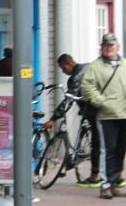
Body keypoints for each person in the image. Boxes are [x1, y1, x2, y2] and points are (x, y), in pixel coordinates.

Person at [81, 33, 126, 199]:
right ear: (102, 48)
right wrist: (101, 101)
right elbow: (87, 87)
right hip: (106, 115)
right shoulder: (95, 67)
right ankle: (105, 184)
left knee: (120, 149)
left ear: (118, 47)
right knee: (107, 149)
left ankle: (115, 181)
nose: (109, 49)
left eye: (112, 46)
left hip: (125, 113)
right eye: (106, 46)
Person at [43, 54, 103, 187]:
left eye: (62, 68)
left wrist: (53, 118)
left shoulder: (76, 77)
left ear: (67, 64)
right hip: (93, 108)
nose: (63, 71)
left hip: (94, 110)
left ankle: (96, 176)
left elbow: (68, 100)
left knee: (96, 145)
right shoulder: (88, 66)